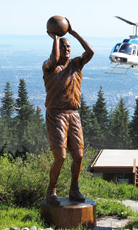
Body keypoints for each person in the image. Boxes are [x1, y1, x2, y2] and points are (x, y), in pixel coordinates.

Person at [43, 18, 94, 205]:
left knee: (79, 156)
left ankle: (74, 189)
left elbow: (91, 52)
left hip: (73, 115)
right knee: (61, 157)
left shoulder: (76, 65)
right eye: (64, 47)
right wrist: (56, 39)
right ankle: (52, 190)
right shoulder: (49, 67)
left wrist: (73, 33)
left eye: (69, 47)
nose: (67, 49)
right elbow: (54, 58)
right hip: (56, 115)